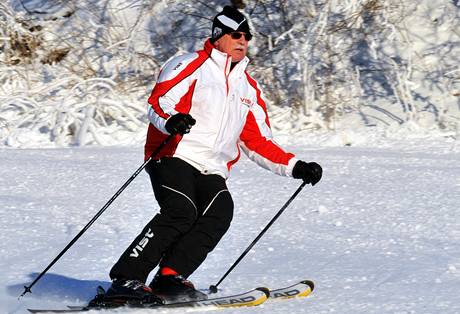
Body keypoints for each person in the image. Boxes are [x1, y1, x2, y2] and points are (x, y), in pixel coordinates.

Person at [104, 5, 322, 303]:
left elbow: (257, 140)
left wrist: (296, 167)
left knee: (219, 213)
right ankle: (126, 279)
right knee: (181, 211)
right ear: (219, 36)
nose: (243, 41)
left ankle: (170, 276)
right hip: (173, 154)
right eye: (236, 34)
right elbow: (158, 102)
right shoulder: (190, 64)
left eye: (247, 36)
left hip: (213, 166)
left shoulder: (248, 88)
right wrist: (171, 122)